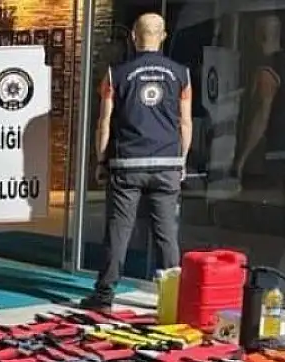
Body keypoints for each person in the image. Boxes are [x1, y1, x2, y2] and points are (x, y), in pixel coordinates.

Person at [81, 13, 193, 311]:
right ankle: (173, 301)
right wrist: (181, 160)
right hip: (167, 164)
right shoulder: (181, 74)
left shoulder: (115, 74)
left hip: (127, 164)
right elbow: (185, 123)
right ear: (163, 36)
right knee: (166, 234)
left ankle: (104, 296)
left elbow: (104, 123)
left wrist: (101, 160)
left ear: (133, 36)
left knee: (118, 232)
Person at [234, 15, 285, 192]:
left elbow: (261, 117)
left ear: (260, 35)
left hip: (265, 154)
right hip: (284, 147)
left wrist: (243, 158)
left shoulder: (267, 71)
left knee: (257, 200)